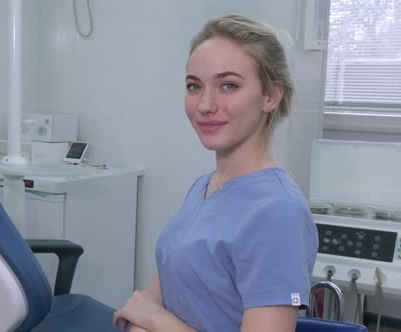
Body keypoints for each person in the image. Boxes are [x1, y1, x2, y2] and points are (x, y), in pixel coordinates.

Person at [113, 14, 319, 332]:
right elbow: (160, 288)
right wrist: (146, 316)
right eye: (194, 86)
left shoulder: (278, 212)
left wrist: (153, 320)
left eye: (228, 85)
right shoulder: (205, 186)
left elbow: (149, 309)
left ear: (271, 95)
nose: (205, 104)